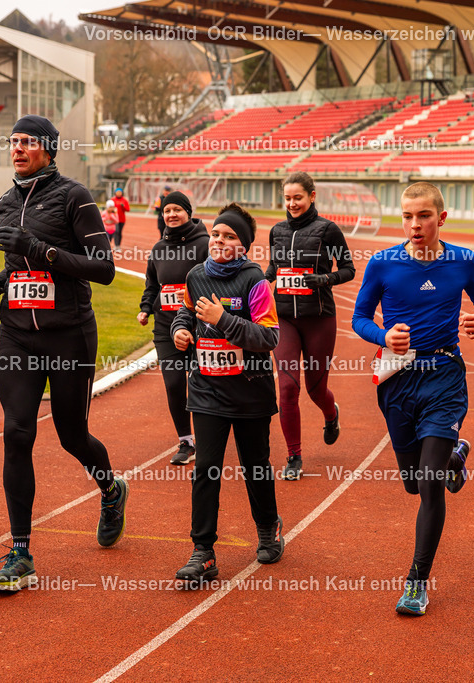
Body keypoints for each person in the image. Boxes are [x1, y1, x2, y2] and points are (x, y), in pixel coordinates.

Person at [0, 115, 125, 592]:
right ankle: (21, 551)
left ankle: (110, 487)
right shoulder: (4, 202)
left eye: (27, 142)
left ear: (50, 149)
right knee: (16, 433)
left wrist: (39, 249)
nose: (17, 148)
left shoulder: (74, 196)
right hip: (17, 334)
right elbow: (16, 265)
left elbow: (103, 269)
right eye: (13, 141)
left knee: (71, 435)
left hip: (68, 336)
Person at [351, 182, 474, 616]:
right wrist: (383, 335)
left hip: (445, 376)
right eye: (408, 216)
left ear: (441, 218)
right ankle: (455, 455)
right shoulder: (382, 263)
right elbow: (359, 317)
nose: (416, 225)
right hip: (398, 379)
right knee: (413, 482)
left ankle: (416, 581)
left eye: (424, 216)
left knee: (429, 484)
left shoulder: (463, 261)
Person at [171, 203, 283, 586]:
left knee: (255, 467)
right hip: (206, 389)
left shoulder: (255, 282)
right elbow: (185, 312)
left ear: (244, 246)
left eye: (230, 237)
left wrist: (224, 321)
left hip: (249, 392)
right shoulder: (196, 276)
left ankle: (268, 528)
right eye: (216, 233)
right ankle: (203, 552)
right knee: (206, 470)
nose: (219, 241)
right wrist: (180, 332)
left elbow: (269, 337)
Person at [264, 172, 354, 480]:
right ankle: (294, 456)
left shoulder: (327, 230)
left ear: (312, 196)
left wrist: (325, 278)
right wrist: (259, 281)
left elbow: (349, 269)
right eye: (287, 199)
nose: (292, 204)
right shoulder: (276, 231)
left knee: (316, 390)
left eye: (297, 198)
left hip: (319, 319)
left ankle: (331, 414)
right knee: (287, 388)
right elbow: (274, 269)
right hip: (285, 318)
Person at [138, 191, 208, 466]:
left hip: (200, 326)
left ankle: (209, 436)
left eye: (177, 209)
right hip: (166, 326)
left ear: (188, 212)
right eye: (167, 211)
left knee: (202, 383)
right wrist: (145, 308)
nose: (171, 215)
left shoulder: (204, 244)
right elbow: (152, 284)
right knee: (174, 383)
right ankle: (186, 441)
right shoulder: (158, 248)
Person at [110, 187, 130, 253]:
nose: (118, 193)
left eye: (120, 192)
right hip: (115, 219)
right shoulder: (112, 200)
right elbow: (109, 208)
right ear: (115, 193)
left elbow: (128, 209)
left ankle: (119, 245)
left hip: (122, 219)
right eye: (117, 192)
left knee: (120, 232)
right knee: (116, 231)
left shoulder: (124, 200)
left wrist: (123, 206)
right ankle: (116, 245)